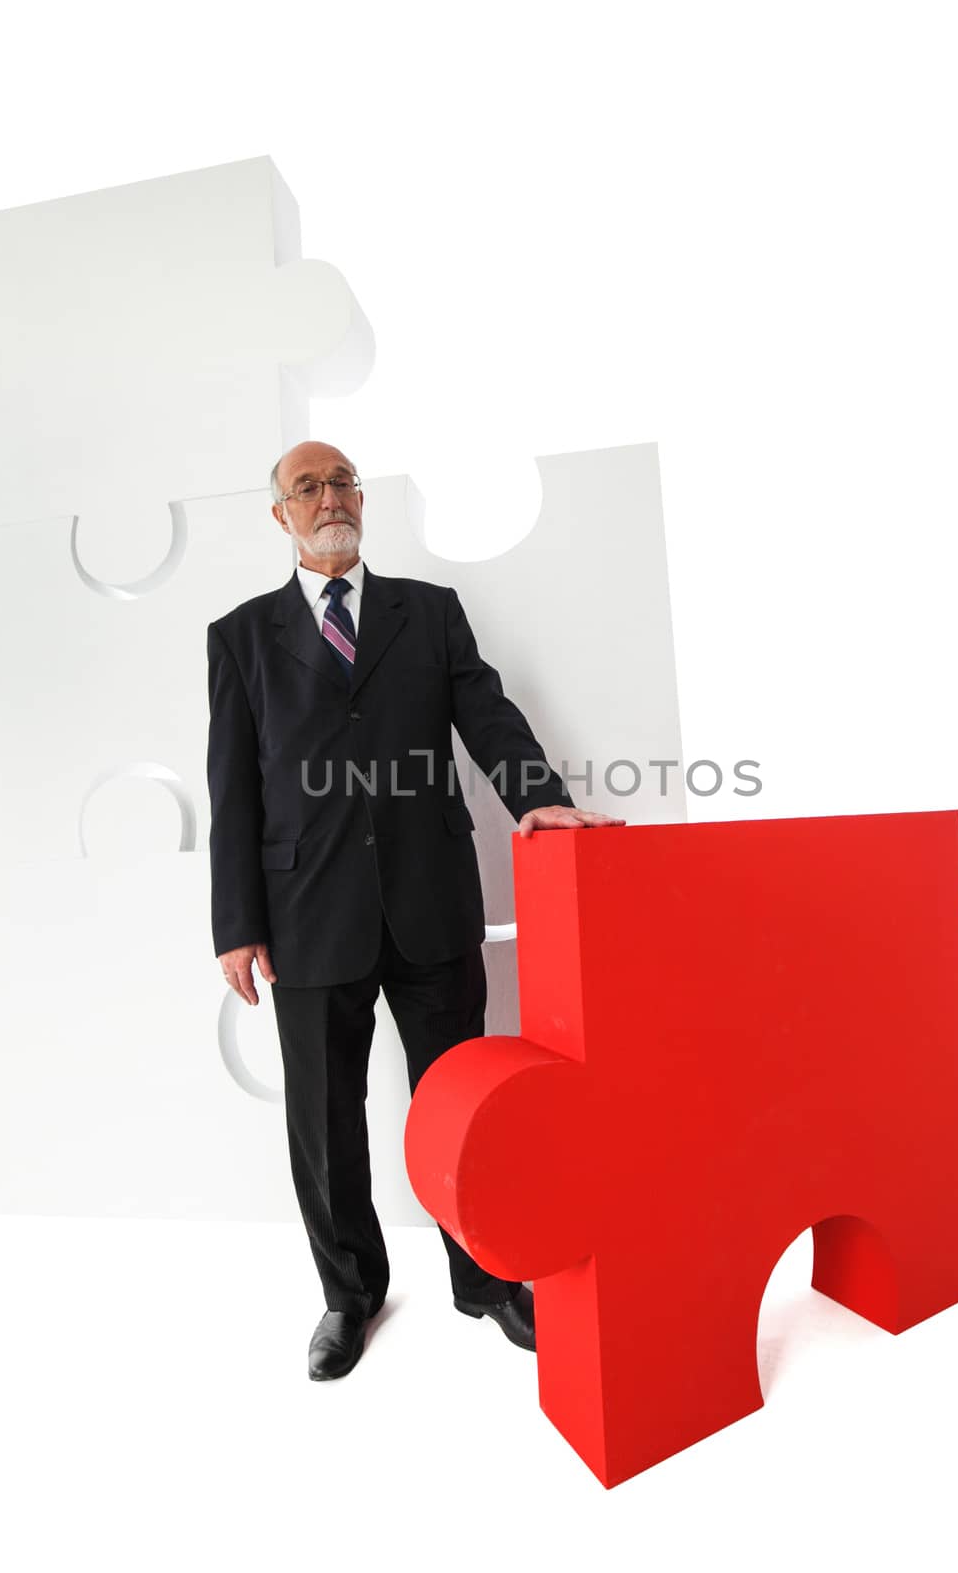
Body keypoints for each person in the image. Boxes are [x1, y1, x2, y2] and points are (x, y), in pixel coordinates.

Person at [206, 440, 624, 1381]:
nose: (328, 498)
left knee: (467, 1113)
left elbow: (485, 712)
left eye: (342, 481)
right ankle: (348, 1297)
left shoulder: (428, 614)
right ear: (280, 515)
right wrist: (237, 922)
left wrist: (534, 798)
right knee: (326, 1119)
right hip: (307, 914)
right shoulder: (238, 637)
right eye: (306, 487)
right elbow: (232, 786)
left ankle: (484, 1282)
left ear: (362, 499)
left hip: (430, 903)